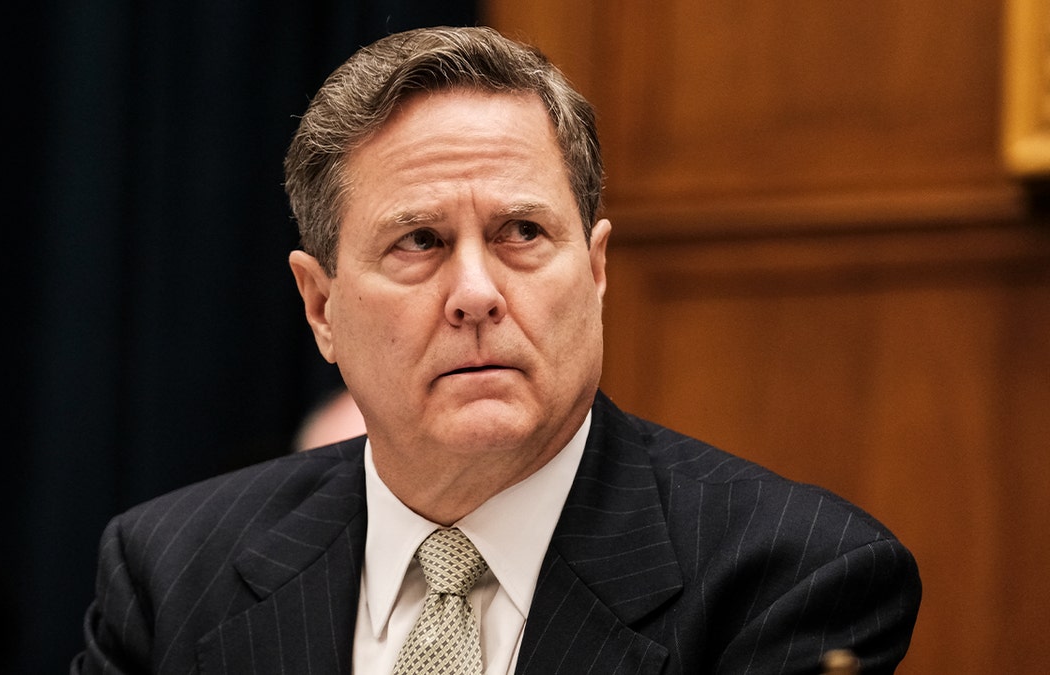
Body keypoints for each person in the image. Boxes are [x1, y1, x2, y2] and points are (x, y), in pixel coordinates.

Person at [71, 26, 920, 674]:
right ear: (321, 306)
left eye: (521, 232)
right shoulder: (169, 575)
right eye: (419, 241)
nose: (476, 292)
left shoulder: (792, 577)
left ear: (593, 272)